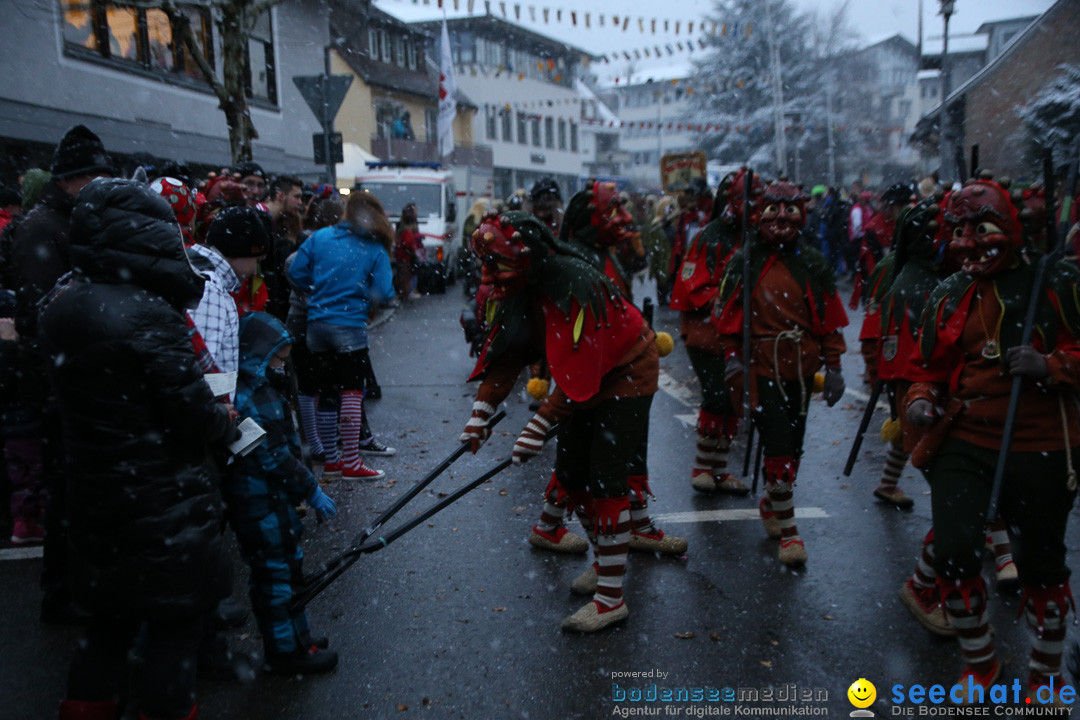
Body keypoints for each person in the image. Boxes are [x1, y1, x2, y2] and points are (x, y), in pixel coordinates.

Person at [40, 177, 238, 720]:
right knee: (174, 626)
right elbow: (191, 412)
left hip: (96, 492)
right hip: (162, 499)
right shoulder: (149, 312)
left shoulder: (61, 305)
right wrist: (223, 422)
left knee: (106, 625)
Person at [903, 178, 1080, 704]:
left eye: (980, 228)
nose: (968, 242)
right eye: (957, 231)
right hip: (966, 440)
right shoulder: (949, 291)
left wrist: (1052, 365)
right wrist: (919, 399)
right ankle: (980, 663)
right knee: (956, 552)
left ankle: (1045, 676)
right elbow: (928, 370)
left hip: (1044, 443)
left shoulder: (1060, 281)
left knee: (1043, 564)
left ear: (1010, 227)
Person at [463, 209, 659, 633]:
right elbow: (509, 351)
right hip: (583, 381)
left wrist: (539, 423)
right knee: (571, 472)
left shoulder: (574, 281)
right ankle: (605, 562)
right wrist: (480, 414)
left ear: (527, 255)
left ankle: (611, 599)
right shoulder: (520, 287)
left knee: (606, 477)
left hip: (625, 373)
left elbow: (584, 360)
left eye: (496, 262)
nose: (488, 273)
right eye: (485, 262)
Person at [2, 124, 115, 618]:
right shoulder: (42, 228)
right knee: (67, 487)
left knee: (77, 486)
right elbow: (41, 310)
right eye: (96, 175)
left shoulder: (66, 220)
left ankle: (73, 586)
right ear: (77, 177)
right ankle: (62, 592)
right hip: (56, 378)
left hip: (67, 374)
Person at [545, 180, 686, 556]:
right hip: (606, 374)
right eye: (614, 211)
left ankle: (616, 526)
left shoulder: (601, 251)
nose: (624, 217)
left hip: (622, 370)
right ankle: (569, 534)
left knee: (609, 454)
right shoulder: (579, 259)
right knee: (595, 460)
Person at [712, 180, 849, 567]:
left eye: (790, 212)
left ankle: (774, 502)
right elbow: (728, 320)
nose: (781, 220)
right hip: (761, 367)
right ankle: (790, 532)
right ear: (760, 215)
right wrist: (732, 359)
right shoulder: (745, 262)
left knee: (795, 445)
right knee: (778, 444)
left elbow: (828, 323)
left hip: (802, 368)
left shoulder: (813, 263)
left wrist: (835, 366)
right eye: (773, 211)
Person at [228, 311, 339, 674]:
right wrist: (310, 488)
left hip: (272, 503)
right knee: (276, 581)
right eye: (277, 358)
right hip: (261, 504)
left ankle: (297, 638)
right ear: (256, 356)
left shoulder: (260, 391)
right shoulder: (250, 400)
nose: (281, 366)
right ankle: (285, 652)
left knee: (289, 575)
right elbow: (273, 457)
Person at [288, 190, 395, 481]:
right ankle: (351, 462)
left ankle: (332, 461)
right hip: (349, 326)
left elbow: (295, 272)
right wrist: (362, 294)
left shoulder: (318, 238)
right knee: (351, 391)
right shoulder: (373, 247)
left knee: (326, 391)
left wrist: (317, 290)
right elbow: (385, 292)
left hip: (316, 326)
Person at [671, 171, 757, 495]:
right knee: (717, 396)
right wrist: (729, 306)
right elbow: (692, 286)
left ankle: (719, 470)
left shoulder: (753, 238)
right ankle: (702, 467)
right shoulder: (708, 237)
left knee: (734, 400)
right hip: (707, 335)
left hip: (740, 335)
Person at [394, 203, 423, 300]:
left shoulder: (401, 228)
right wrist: (414, 250)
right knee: (407, 275)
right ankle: (406, 293)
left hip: (402, 255)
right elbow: (409, 242)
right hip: (406, 256)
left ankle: (405, 292)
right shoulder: (407, 231)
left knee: (405, 274)